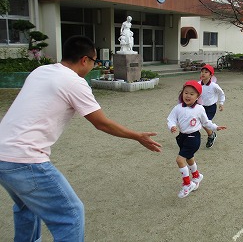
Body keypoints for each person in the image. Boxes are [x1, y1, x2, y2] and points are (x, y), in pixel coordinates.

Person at [0, 35, 161, 242]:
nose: (95, 66)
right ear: (85, 60)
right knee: (71, 214)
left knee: (27, 207)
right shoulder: (74, 81)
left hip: (2, 154)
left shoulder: (41, 71)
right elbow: (101, 122)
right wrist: (136, 136)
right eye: (95, 61)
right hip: (25, 159)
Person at [167, 80, 226, 198]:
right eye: (186, 93)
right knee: (189, 158)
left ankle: (187, 184)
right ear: (182, 93)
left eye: (192, 94)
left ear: (198, 96)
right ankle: (196, 176)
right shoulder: (177, 108)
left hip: (193, 137)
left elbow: (206, 122)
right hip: (182, 137)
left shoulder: (199, 109)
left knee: (180, 160)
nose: (188, 96)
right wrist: (172, 126)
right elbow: (171, 119)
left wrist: (215, 127)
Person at [198, 64, 225, 148]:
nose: (203, 73)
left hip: (210, 108)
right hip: (200, 107)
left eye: (206, 72)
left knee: (205, 123)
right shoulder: (198, 84)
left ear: (211, 75)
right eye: (202, 72)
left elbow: (221, 94)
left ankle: (211, 135)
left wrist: (221, 103)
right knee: (200, 123)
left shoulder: (214, 86)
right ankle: (211, 134)